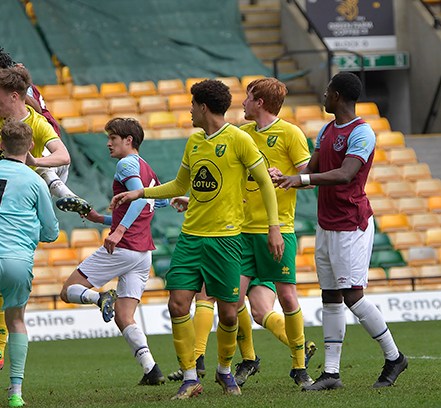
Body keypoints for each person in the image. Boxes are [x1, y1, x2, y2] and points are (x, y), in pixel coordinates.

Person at [111, 79, 283, 400]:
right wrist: (140, 191)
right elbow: (179, 185)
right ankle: (191, 378)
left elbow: (264, 182)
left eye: (192, 105)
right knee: (177, 304)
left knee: (229, 313)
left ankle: (224, 370)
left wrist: (274, 227)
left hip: (226, 241)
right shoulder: (194, 142)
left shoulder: (239, 139)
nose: (189, 111)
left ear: (203, 107)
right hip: (191, 238)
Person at [165, 77, 316, 388]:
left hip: (277, 229)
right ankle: (234, 361)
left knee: (286, 296)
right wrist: (191, 196)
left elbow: (309, 178)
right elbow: (223, 183)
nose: (242, 104)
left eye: (247, 98)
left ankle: (299, 366)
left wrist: (286, 178)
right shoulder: (239, 135)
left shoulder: (291, 133)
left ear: (259, 102)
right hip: (240, 232)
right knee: (230, 303)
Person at [275, 72, 408, 390]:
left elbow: (347, 174)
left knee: (353, 296)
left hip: (352, 223)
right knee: (331, 296)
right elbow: (314, 169)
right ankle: (331, 374)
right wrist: (287, 175)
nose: (323, 96)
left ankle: (394, 358)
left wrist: (302, 181)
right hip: (327, 223)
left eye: (326, 92)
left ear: (337, 96)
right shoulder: (326, 129)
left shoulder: (362, 133)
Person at [59, 118, 169, 386]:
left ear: (129, 140)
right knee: (124, 315)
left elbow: (138, 199)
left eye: (113, 138)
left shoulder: (126, 164)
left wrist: (118, 232)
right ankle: (151, 369)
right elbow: (153, 204)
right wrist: (103, 220)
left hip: (123, 247)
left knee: (67, 291)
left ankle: (99, 299)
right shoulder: (148, 170)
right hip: (143, 254)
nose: (108, 143)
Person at [0, 118, 60, 407]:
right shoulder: (36, 180)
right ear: (31, 146)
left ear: (1, 145)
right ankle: (16, 393)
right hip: (19, 260)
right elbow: (52, 231)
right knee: (16, 321)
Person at [0, 65, 92, 215]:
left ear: (14, 97)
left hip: (19, 196)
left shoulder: (38, 123)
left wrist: (34, 161)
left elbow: (64, 157)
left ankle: (64, 195)